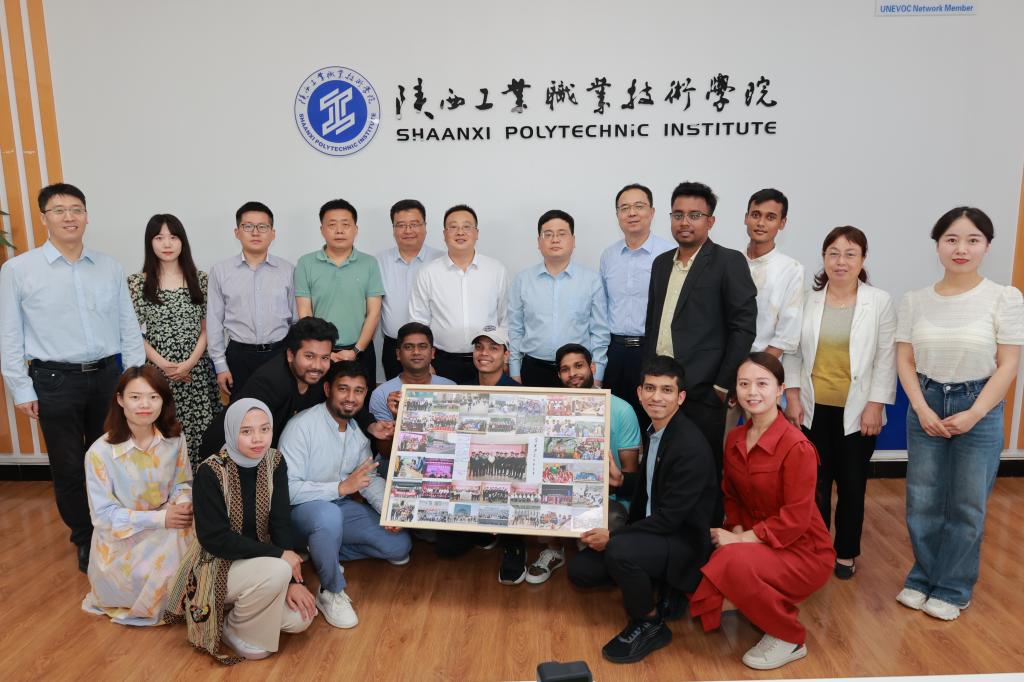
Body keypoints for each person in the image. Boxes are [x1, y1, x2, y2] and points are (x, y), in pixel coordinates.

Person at [0, 182, 145, 572]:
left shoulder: (109, 267)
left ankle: (116, 528)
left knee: (113, 458)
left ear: (86, 216)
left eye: (76, 209)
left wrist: (134, 377)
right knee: (68, 466)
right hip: (54, 380)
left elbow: (128, 325)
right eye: (59, 210)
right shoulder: (18, 270)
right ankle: (85, 537)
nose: (69, 217)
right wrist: (20, 388)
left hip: (108, 377)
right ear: (44, 218)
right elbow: (9, 335)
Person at [895, 207, 1024, 621]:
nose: (961, 249)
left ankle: (953, 587)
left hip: (979, 404)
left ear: (987, 246)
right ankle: (923, 577)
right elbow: (905, 359)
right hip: (927, 401)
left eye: (972, 240)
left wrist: (975, 413)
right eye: (951, 239)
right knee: (923, 500)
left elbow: (1008, 364)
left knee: (968, 505)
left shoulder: (1005, 298)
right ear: (938, 245)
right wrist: (920, 407)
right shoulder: (914, 300)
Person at [568, 356, 718, 664]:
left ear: (681, 397)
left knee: (618, 549)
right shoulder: (657, 430)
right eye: (650, 388)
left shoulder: (688, 445)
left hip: (683, 543)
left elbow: (670, 519)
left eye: (666, 390)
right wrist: (621, 481)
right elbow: (653, 485)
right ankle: (657, 583)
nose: (656, 397)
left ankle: (649, 623)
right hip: (656, 532)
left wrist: (613, 537)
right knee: (581, 571)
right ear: (639, 393)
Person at [690, 353, 834, 671]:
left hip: (804, 550)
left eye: (762, 384)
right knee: (709, 560)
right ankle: (755, 599)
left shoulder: (797, 447)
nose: (752, 392)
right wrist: (737, 530)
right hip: (759, 539)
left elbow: (795, 520)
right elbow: (732, 497)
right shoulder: (735, 438)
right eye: (744, 384)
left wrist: (740, 542)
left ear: (780, 389)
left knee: (729, 561)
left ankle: (789, 637)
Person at [164, 399, 317, 663]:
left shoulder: (274, 461)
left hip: (261, 566)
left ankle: (235, 614)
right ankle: (232, 627)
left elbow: (280, 522)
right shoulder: (210, 471)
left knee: (300, 619)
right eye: (246, 431)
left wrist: (293, 583)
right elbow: (215, 539)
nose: (258, 439)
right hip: (217, 565)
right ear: (232, 431)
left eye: (264, 429)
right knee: (278, 570)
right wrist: (281, 557)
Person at [782, 226, 896, 579]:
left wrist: (876, 405)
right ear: (823, 257)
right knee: (814, 484)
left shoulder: (879, 302)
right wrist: (792, 397)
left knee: (852, 484)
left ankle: (845, 552)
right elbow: (793, 353)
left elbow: (886, 357)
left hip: (858, 411)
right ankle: (815, 549)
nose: (841, 261)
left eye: (850, 254)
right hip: (812, 409)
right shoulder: (807, 300)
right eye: (833, 253)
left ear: (863, 259)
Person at [645, 181, 757, 519]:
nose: (685, 222)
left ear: (711, 221)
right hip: (661, 388)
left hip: (704, 390)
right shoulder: (661, 264)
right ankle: (660, 530)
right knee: (661, 465)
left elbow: (743, 327)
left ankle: (702, 539)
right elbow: (654, 324)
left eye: (694, 215)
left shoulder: (728, 261)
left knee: (703, 471)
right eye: (678, 214)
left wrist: (722, 385)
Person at [281, 361, 412, 629]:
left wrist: (390, 510)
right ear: (327, 389)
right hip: (299, 511)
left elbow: (367, 479)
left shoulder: (357, 433)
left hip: (337, 508)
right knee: (327, 515)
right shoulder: (301, 426)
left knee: (399, 546)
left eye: (358, 391)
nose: (350, 398)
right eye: (343, 389)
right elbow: (287, 491)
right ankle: (330, 590)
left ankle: (320, 551)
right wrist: (340, 488)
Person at [520, 343, 641, 586]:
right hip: (560, 491)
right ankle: (554, 550)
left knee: (607, 531)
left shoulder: (622, 410)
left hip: (608, 497)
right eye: (565, 369)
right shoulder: (550, 408)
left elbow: (630, 473)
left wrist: (606, 482)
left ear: (592, 368)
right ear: (559, 375)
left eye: (579, 366)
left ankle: (587, 540)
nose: (573, 374)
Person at [82, 365, 194, 626]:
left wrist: (183, 504)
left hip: (168, 524)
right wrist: (160, 519)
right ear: (120, 400)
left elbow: (182, 483)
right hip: (122, 541)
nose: (145, 404)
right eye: (135, 397)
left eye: (154, 397)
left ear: (163, 401)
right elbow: (103, 517)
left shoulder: (175, 440)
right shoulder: (99, 453)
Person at [128, 214, 220, 470]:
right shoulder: (137, 282)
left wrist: (189, 363)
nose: (167, 244)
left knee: (202, 432)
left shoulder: (201, 279)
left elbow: (208, 327)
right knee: (164, 432)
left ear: (183, 241)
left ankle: (202, 486)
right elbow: (133, 332)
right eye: (159, 238)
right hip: (158, 373)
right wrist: (165, 365)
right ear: (150, 242)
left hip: (196, 371)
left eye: (173, 237)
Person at [728, 188, 804, 432]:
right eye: (756, 215)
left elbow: (786, 334)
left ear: (782, 223)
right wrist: (729, 374)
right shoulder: (728, 262)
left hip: (765, 373)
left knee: (764, 444)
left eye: (770, 217)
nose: (761, 223)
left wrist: (750, 375)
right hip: (725, 371)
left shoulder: (791, 269)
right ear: (746, 218)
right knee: (720, 444)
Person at [409, 204, 509, 385]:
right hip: (442, 362)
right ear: (444, 234)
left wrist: (504, 360)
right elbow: (418, 322)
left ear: (476, 233)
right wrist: (425, 363)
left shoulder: (496, 270)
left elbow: (506, 318)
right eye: (453, 227)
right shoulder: (428, 272)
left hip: (487, 362)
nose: (460, 232)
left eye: (466, 227)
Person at [600, 183, 674, 427]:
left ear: (652, 212)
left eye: (639, 206)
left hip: (652, 350)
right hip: (615, 351)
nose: (631, 213)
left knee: (652, 421)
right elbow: (603, 307)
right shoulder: (608, 256)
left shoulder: (669, 254)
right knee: (614, 421)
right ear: (617, 215)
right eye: (625, 208)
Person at [509, 209, 609, 388]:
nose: (555, 239)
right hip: (533, 370)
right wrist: (515, 371)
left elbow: (599, 332)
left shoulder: (591, 280)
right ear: (539, 242)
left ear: (573, 240)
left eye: (562, 234)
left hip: (576, 374)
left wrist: (598, 374)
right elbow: (515, 330)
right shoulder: (523, 280)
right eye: (548, 234)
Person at [207, 201, 296, 396]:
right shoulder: (220, 271)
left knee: (280, 409)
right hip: (239, 357)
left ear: (273, 233)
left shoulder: (288, 270)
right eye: (248, 226)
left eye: (262, 227)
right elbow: (214, 323)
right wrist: (220, 365)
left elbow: (295, 320)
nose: (255, 233)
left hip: (279, 355)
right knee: (241, 410)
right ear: (237, 232)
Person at [295, 199, 384, 382]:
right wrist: (324, 353)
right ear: (322, 230)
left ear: (356, 229)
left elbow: (374, 313)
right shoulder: (305, 263)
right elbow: (305, 313)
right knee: (319, 398)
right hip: (319, 353)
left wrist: (356, 350)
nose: (339, 231)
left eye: (345, 224)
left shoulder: (369, 263)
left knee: (361, 398)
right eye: (332, 225)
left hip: (360, 350)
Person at [376, 199, 443, 380]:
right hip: (394, 347)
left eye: (414, 224)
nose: (408, 231)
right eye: (401, 225)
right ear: (393, 229)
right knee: (394, 395)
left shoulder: (442, 260)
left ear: (425, 227)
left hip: (433, 347)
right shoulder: (379, 262)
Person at [368, 322, 455, 455]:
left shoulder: (451, 388)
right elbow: (385, 452)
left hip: (441, 459)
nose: (416, 352)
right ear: (398, 354)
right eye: (408, 347)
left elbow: (455, 441)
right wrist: (399, 418)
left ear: (432, 353)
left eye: (422, 346)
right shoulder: (382, 394)